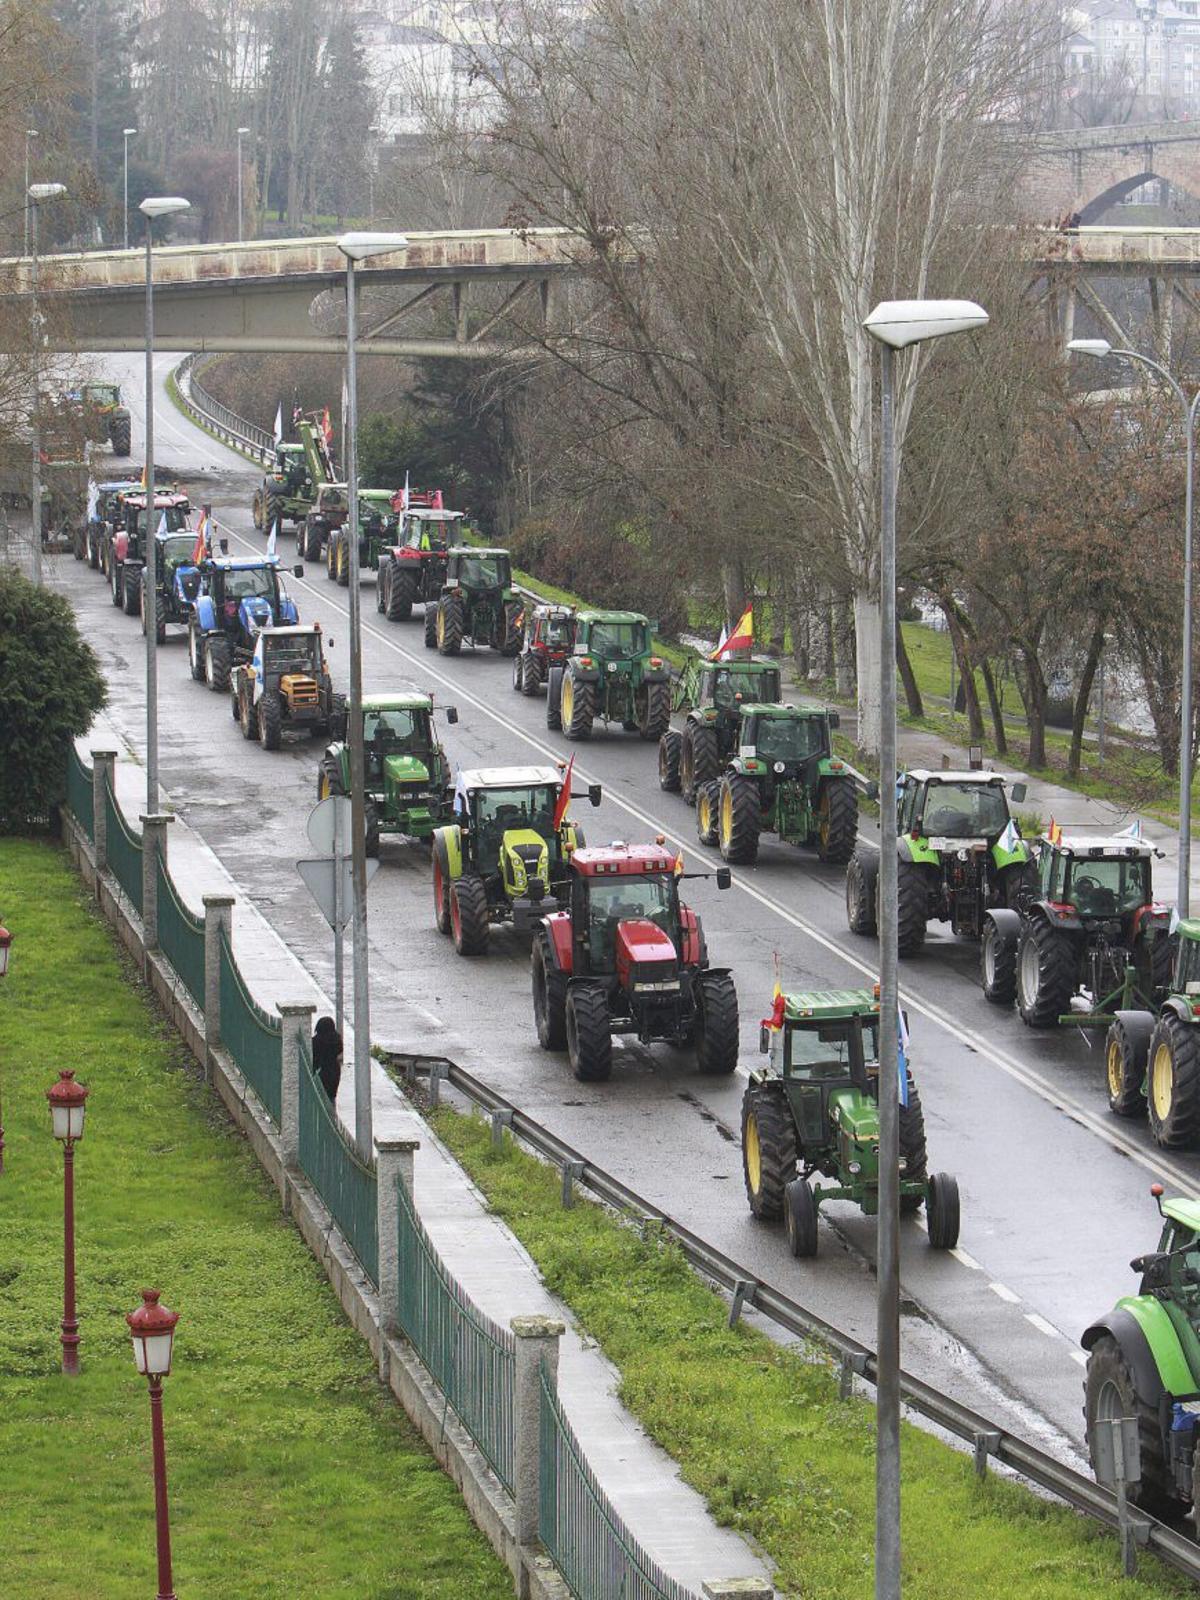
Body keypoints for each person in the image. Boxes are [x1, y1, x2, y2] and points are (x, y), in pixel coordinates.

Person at [312, 1016, 343, 1103]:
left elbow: (314, 1057)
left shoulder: (315, 1041)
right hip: (334, 1070)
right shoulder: (337, 1039)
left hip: (320, 1070)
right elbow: (339, 1050)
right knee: (331, 1097)